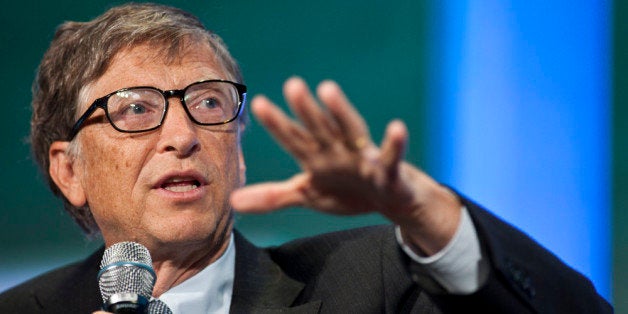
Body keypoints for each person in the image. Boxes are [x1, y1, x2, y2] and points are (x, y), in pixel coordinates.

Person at [0, 3, 611, 313]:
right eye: (136, 109)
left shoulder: (371, 284)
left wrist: (427, 212)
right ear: (69, 170)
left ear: (238, 154)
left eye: (210, 102)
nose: (182, 134)